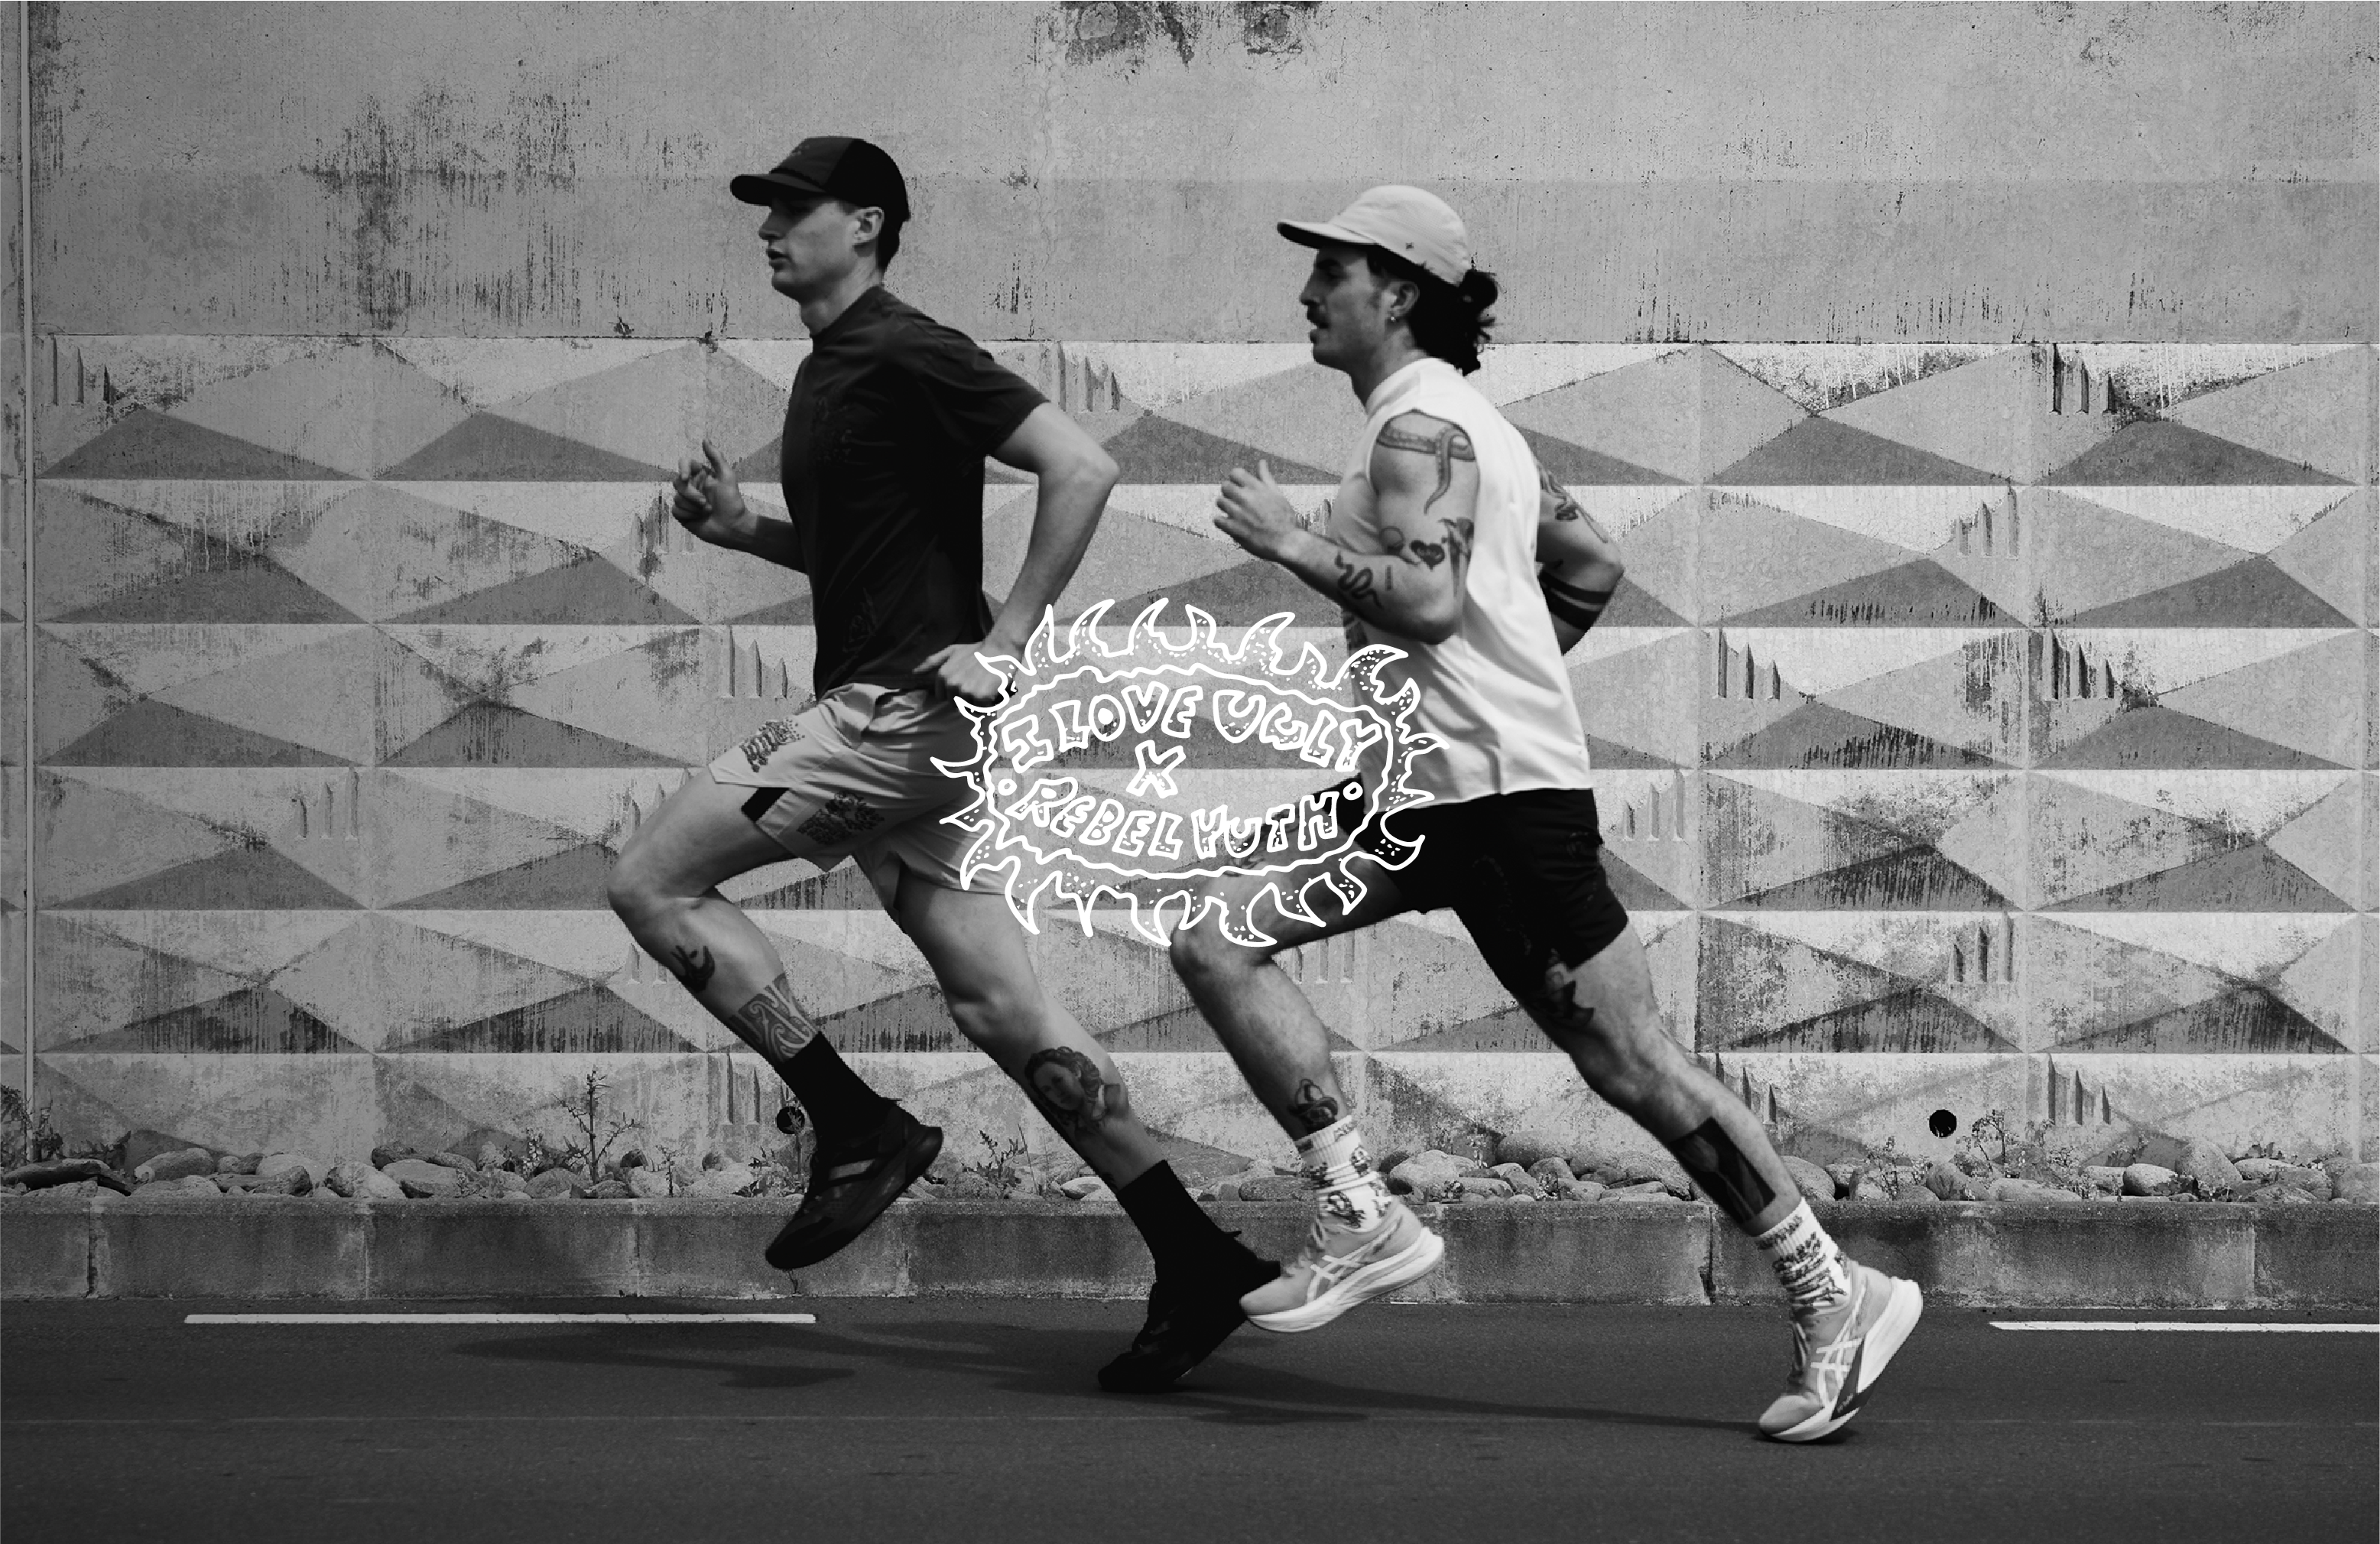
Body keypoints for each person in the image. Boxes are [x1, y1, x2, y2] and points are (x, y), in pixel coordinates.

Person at [1167, 185, 1923, 1442]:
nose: (1309, 294)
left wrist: (1297, 549)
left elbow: (1423, 600)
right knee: (1211, 932)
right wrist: (1504, 681)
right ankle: (1358, 1208)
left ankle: (1834, 1289)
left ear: (1398, 290)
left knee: (1632, 1065)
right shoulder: (1471, 430)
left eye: (1334, 272)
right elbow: (1589, 568)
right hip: (1426, 791)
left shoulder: (1424, 429)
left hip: (1500, 808)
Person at [606, 137, 1276, 1393]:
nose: (770, 230)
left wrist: (1006, 642)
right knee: (1004, 1008)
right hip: (907, 729)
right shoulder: (827, 369)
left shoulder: (908, 346)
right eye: (767, 211)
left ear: (865, 224)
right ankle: (1195, 1253)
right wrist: (749, 529)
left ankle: (854, 1124)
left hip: (893, 719)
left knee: (651, 880)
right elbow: (868, 557)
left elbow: (1084, 466)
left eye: (795, 210)